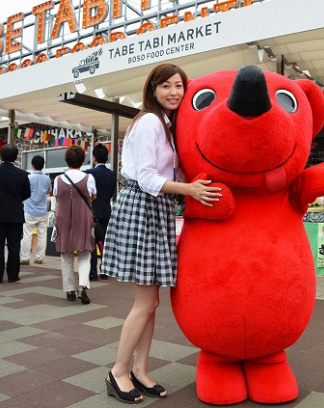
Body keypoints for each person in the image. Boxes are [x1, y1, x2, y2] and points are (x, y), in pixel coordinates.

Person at [101, 64, 222, 403]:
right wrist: (190, 190)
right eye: (166, 86)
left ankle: (139, 370)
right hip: (143, 206)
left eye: (179, 86)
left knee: (150, 304)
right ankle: (118, 372)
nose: (174, 92)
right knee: (146, 302)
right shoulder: (151, 122)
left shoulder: (166, 124)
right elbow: (147, 177)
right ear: (152, 90)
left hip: (156, 210)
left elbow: (173, 170)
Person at [54, 145, 97, 304]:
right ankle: (82, 286)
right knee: (85, 254)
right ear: (82, 160)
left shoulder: (58, 179)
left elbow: (57, 197)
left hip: (63, 219)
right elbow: (93, 197)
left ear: (66, 160)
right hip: (84, 219)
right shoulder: (89, 178)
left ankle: (69, 290)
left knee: (66, 255)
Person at [0, 144, 31, 283]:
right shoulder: (22, 174)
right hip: (15, 215)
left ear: (1, 156)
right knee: (14, 246)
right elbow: (26, 194)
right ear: (16, 157)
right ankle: (13, 275)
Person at [85, 144, 116, 281]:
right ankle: (105, 271)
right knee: (104, 242)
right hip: (106, 211)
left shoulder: (89, 173)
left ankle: (92, 272)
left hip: (92, 212)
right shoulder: (112, 174)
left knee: (91, 242)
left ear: (94, 158)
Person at [20, 155, 52, 265]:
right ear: (43, 165)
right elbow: (48, 191)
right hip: (42, 211)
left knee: (27, 235)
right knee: (42, 235)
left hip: (29, 210)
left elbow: (23, 192)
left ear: (32, 165)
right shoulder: (47, 178)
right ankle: (39, 257)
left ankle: (25, 258)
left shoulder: (28, 178)